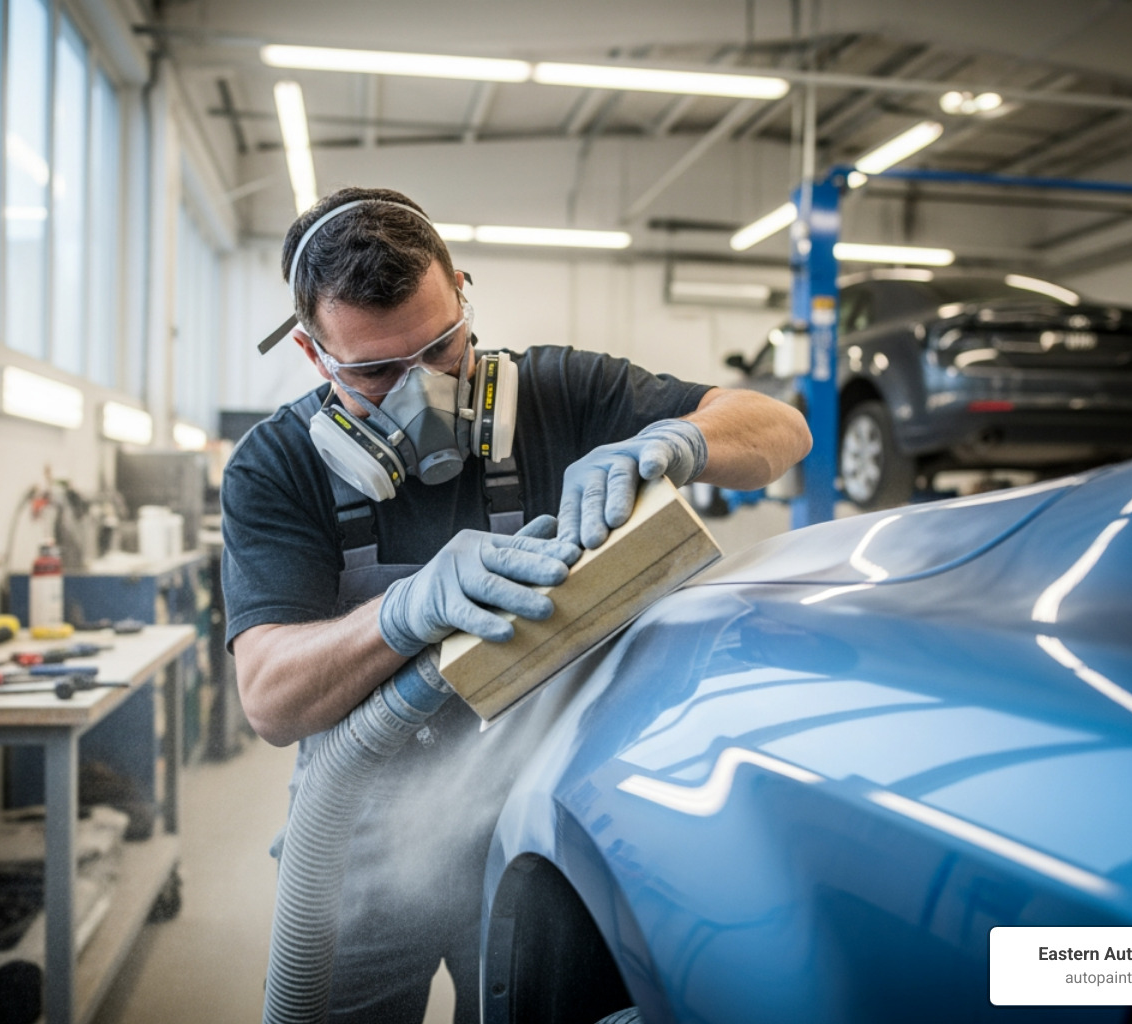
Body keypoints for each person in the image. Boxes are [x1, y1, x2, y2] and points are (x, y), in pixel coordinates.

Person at [222, 186, 811, 1023]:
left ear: (462, 293)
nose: (421, 390)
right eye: (378, 371)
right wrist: (402, 613)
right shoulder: (273, 467)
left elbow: (781, 428)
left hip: (546, 838)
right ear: (317, 357)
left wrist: (676, 439)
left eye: (441, 349)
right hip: (359, 850)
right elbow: (272, 698)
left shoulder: (562, 393)